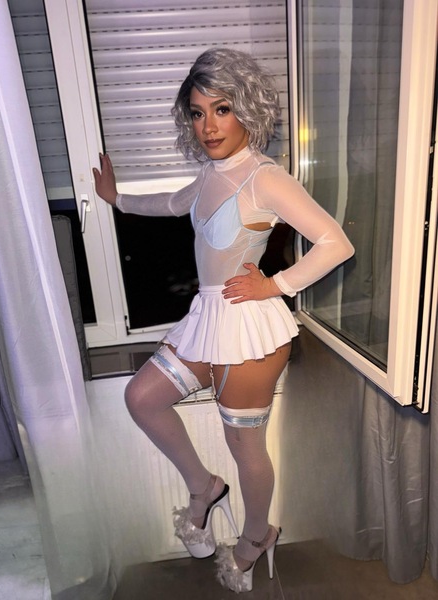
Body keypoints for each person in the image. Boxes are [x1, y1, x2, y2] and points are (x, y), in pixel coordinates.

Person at [93, 47, 354, 593]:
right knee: (142, 397)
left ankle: (256, 537)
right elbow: (171, 203)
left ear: (247, 110)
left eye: (222, 109)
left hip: (250, 330)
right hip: (209, 317)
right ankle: (204, 487)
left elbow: (336, 243)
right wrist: (116, 199)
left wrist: (275, 285)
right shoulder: (210, 173)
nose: (209, 126)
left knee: (245, 448)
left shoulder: (265, 177)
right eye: (197, 112)